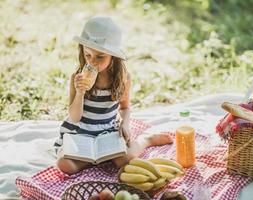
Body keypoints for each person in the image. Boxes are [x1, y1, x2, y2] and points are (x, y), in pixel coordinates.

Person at [54, 17, 173, 175]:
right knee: (64, 164)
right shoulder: (77, 77)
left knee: (127, 160)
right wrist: (80, 93)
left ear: (113, 57)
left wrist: (124, 123)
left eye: (100, 57)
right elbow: (75, 118)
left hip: (106, 131)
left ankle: (147, 140)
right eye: (87, 55)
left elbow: (125, 107)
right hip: (81, 131)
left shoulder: (122, 78)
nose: (92, 62)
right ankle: (99, 158)